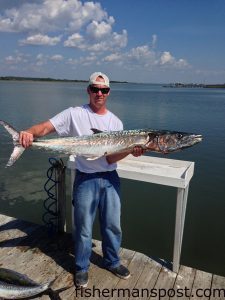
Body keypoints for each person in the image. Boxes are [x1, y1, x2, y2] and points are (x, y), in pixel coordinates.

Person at [19, 72, 144, 287]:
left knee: (113, 225)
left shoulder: (116, 121)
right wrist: (29, 133)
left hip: (110, 177)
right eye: (95, 89)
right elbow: (46, 128)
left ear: (109, 92)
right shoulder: (73, 114)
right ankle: (81, 267)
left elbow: (111, 157)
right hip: (85, 178)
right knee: (83, 227)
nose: (99, 93)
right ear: (88, 90)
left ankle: (112, 262)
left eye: (103, 90)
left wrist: (131, 150)